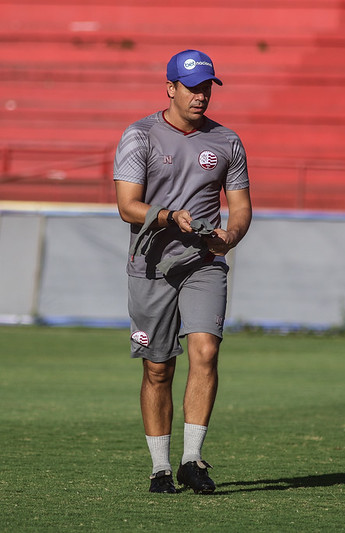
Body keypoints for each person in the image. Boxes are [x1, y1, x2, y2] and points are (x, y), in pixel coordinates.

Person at [113, 49, 252, 494]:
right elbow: (126, 206)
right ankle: (159, 469)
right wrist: (169, 216)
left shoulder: (227, 141)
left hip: (204, 263)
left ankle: (192, 460)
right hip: (152, 265)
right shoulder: (140, 136)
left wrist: (230, 237)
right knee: (158, 369)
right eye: (192, 87)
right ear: (170, 87)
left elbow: (242, 208)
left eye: (207, 87)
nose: (200, 95)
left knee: (206, 351)